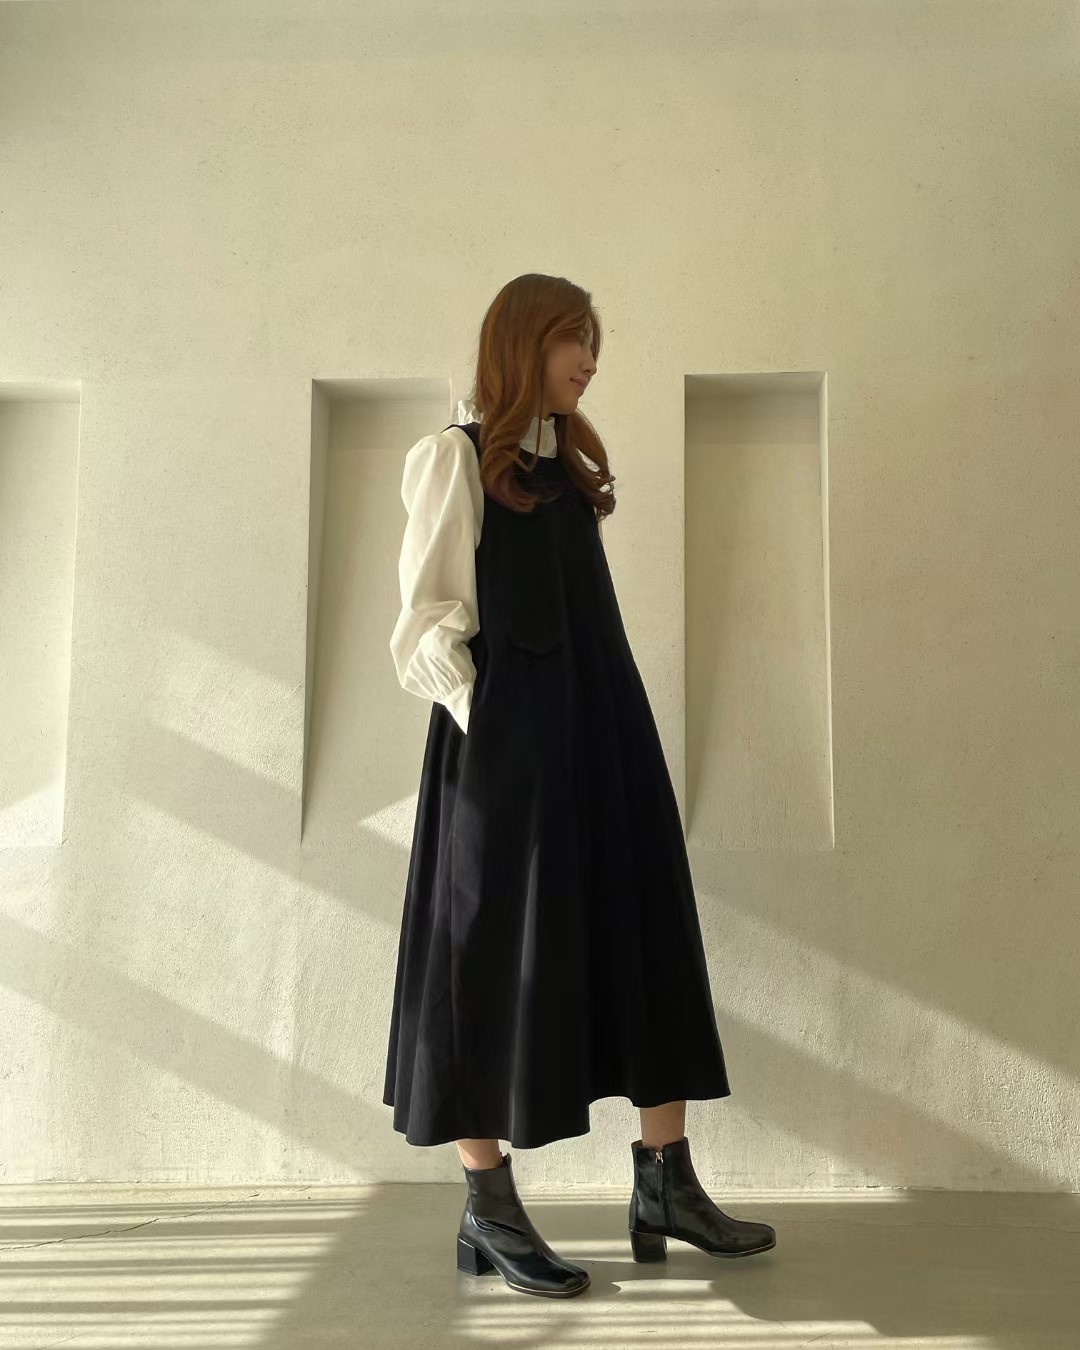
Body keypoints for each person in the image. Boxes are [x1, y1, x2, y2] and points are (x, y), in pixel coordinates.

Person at [384, 273, 776, 1298]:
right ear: (524, 343)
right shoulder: (453, 459)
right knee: (482, 959)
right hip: (508, 756)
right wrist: (499, 727)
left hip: (603, 733)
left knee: (644, 931)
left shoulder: (560, 470)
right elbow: (423, 626)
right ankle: (489, 1207)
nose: (590, 361)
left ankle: (665, 1184)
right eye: (573, 340)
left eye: (593, 342)